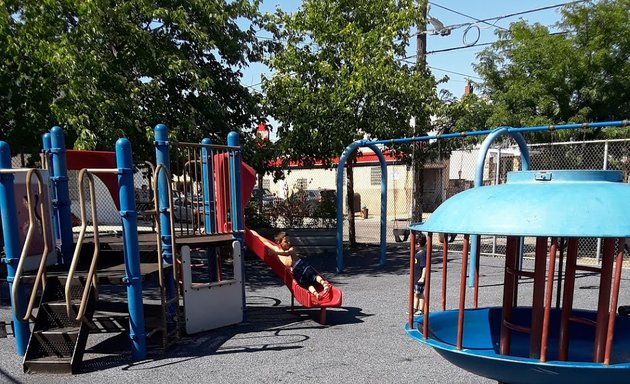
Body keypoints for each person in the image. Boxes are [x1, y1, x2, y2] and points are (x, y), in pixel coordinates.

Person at [268, 231, 331, 299]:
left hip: (299, 267)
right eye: (286, 241)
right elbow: (267, 244)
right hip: (298, 268)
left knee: (311, 278)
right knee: (309, 281)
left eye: (289, 241)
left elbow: (287, 254)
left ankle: (322, 286)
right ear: (279, 242)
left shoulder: (291, 249)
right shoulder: (281, 250)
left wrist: (275, 252)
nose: (289, 243)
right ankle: (317, 292)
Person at [411, 232, 427, 316]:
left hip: (419, 278)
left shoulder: (422, 254)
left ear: (418, 244)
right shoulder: (418, 253)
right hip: (416, 277)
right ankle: (415, 309)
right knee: (416, 293)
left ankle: (421, 310)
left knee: (419, 294)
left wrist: (423, 277)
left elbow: (424, 266)